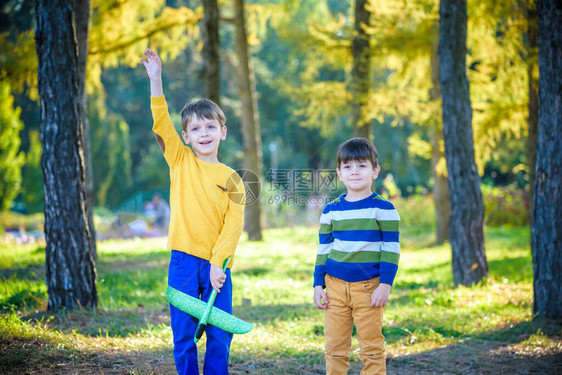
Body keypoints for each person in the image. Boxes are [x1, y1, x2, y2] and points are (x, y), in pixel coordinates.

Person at [141, 48, 245, 375]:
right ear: (185, 136)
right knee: (184, 335)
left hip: (218, 266)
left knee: (219, 334)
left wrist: (218, 264)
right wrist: (156, 79)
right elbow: (161, 123)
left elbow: (234, 225)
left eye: (210, 127)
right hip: (183, 261)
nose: (204, 134)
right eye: (196, 130)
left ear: (222, 132)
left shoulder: (233, 178)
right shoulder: (180, 161)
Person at [313, 138, 400, 375]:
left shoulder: (384, 209)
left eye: (362, 166)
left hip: (369, 289)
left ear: (375, 171)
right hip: (334, 288)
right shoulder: (331, 210)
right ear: (339, 174)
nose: (355, 172)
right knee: (334, 347)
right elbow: (323, 249)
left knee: (371, 347)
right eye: (348, 167)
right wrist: (318, 284)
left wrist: (385, 285)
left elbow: (391, 249)